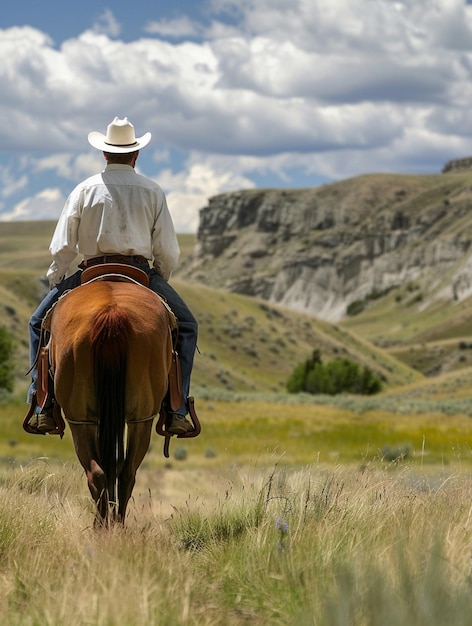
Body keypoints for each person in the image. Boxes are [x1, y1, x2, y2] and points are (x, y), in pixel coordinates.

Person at [27, 116, 197, 436]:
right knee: (187, 326)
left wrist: (57, 276)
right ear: (136, 155)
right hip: (139, 271)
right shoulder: (152, 191)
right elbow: (168, 249)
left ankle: (42, 404)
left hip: (91, 270)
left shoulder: (84, 189)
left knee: (38, 322)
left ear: (104, 154)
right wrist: (158, 278)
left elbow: (63, 245)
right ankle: (176, 408)